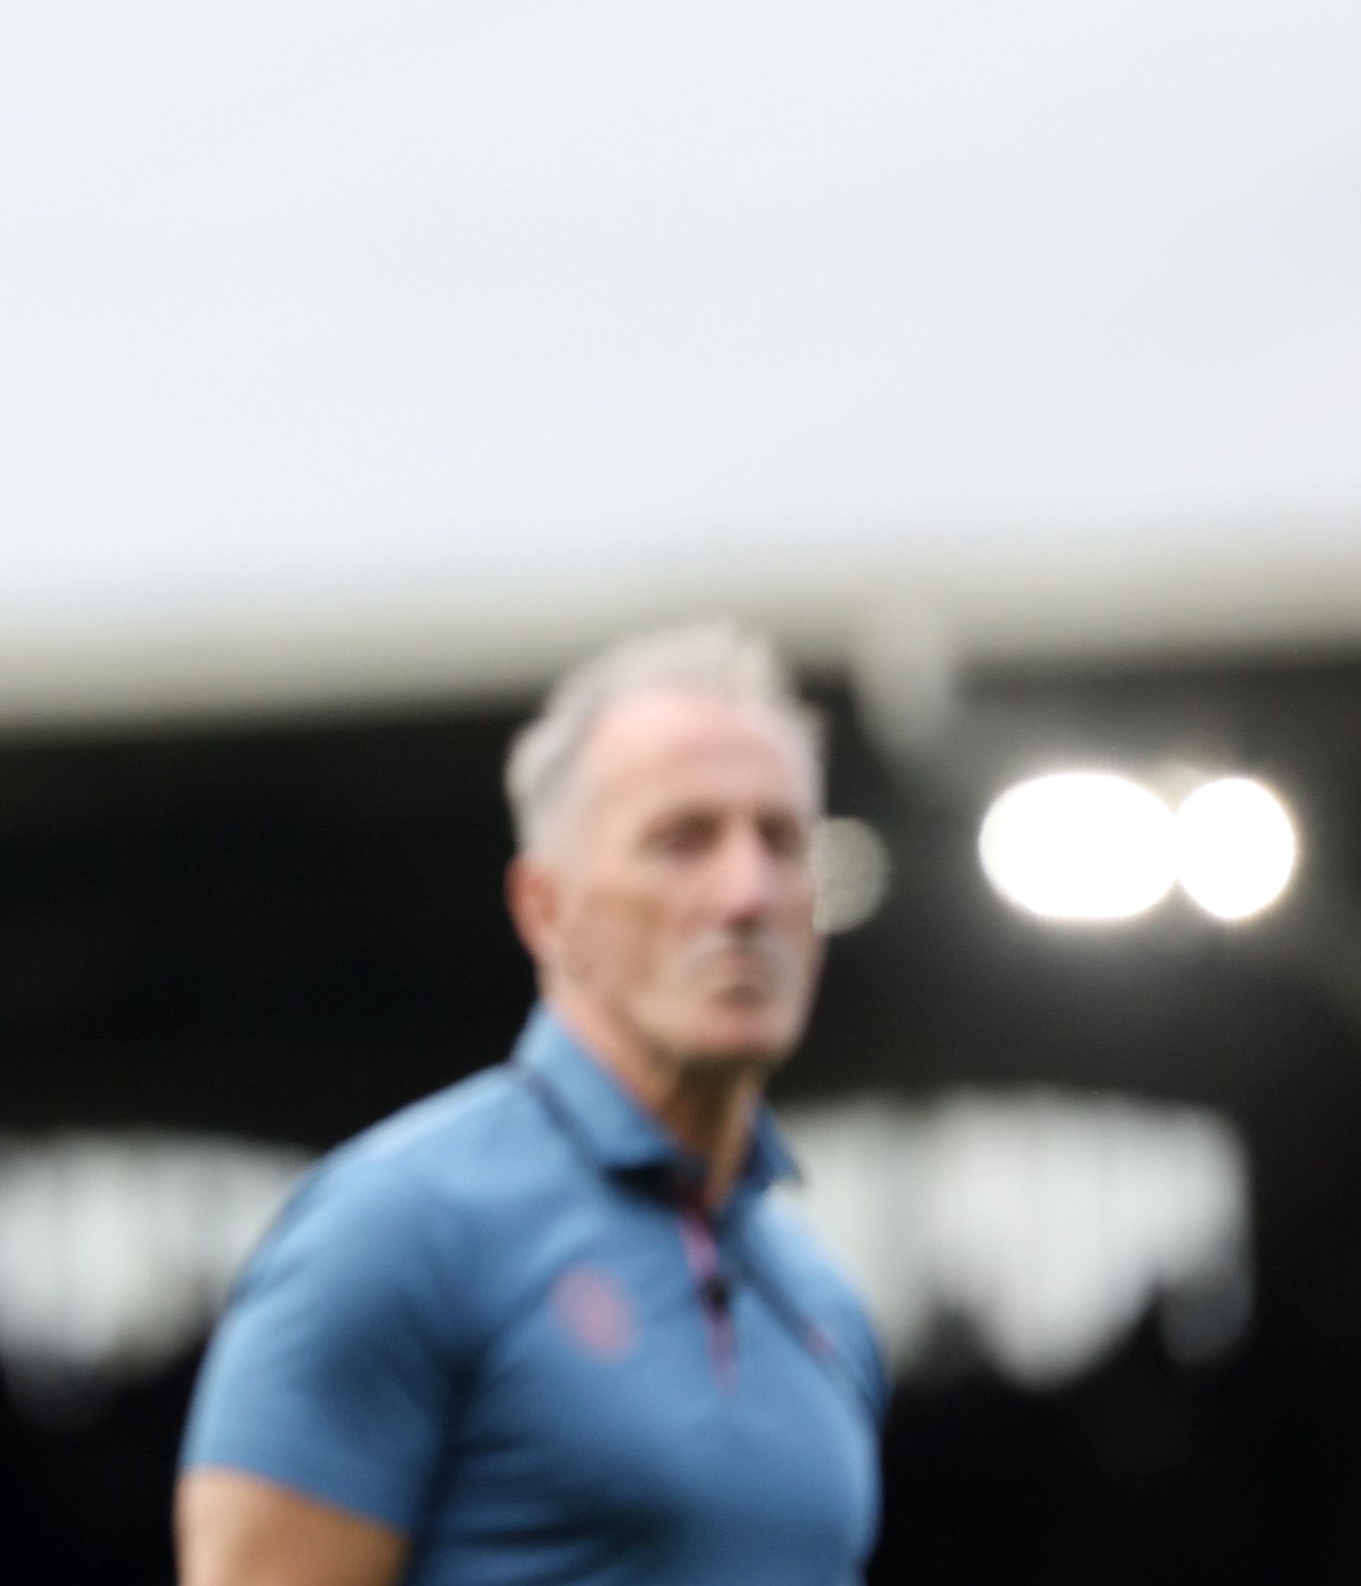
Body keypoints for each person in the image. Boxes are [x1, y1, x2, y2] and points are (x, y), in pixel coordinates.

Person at [175, 623, 887, 1586]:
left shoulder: (823, 1300)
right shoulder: (397, 1229)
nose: (747, 893)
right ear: (547, 909)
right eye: (682, 840)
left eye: (782, 841)